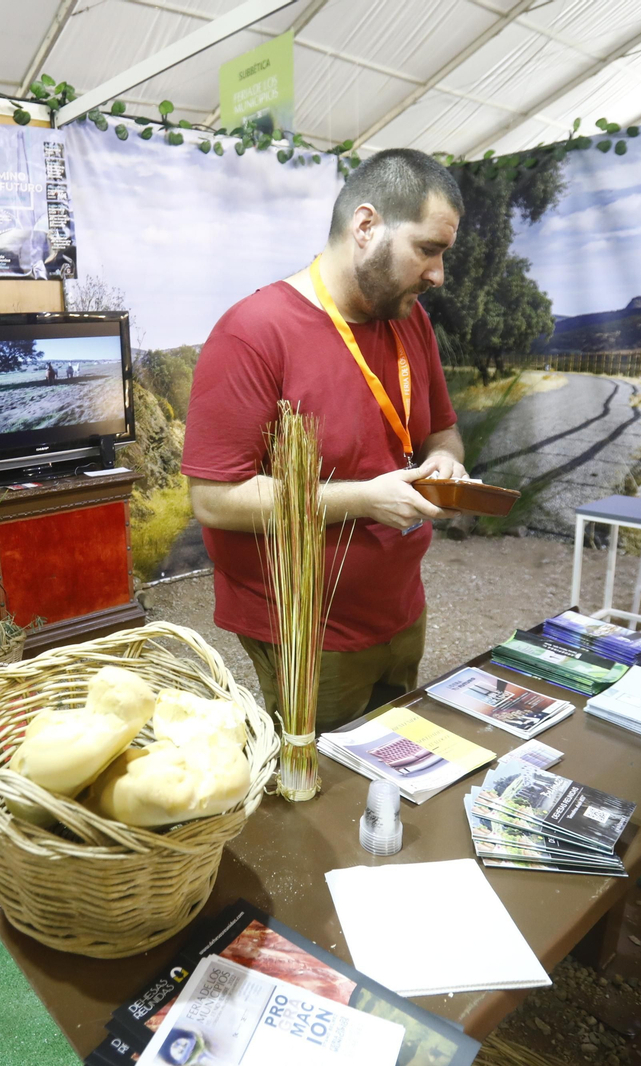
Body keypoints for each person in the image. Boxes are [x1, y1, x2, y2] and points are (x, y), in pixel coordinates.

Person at [182, 148, 467, 731]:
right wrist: (363, 500)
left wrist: (444, 459)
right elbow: (213, 498)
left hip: (400, 607)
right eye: (428, 250)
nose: (438, 274)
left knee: (390, 759)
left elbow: (443, 430)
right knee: (326, 798)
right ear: (366, 227)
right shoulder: (253, 332)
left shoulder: (409, 318)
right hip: (307, 628)